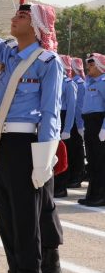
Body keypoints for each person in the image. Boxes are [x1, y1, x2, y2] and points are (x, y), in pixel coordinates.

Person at [0, 3, 63, 273]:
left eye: (23, 16)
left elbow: (51, 112)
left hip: (27, 143)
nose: (14, 19)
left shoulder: (48, 62)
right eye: (16, 15)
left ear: (38, 25)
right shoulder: (9, 52)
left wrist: (45, 157)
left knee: (26, 220)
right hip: (1, 142)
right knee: (7, 218)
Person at [79, 53, 105, 207]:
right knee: (92, 161)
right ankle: (92, 195)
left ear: (100, 66)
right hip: (90, 124)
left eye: (91, 63)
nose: (88, 66)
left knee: (100, 162)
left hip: (99, 124)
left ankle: (101, 196)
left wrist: (104, 128)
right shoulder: (89, 83)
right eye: (87, 63)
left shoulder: (103, 82)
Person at [54, 55, 78, 198]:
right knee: (54, 155)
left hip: (63, 119)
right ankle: (55, 185)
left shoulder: (69, 84)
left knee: (63, 155)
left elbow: (71, 109)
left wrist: (67, 129)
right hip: (55, 117)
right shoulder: (54, 81)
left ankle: (61, 187)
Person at [67, 57, 86, 188]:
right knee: (71, 150)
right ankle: (72, 175)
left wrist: (80, 126)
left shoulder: (79, 84)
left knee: (76, 150)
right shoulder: (74, 82)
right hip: (71, 120)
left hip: (76, 121)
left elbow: (79, 107)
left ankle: (77, 176)